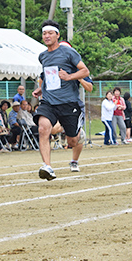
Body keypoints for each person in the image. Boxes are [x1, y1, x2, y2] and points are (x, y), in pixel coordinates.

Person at [32, 20, 90, 180]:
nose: (47, 36)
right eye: (44, 33)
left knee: (72, 141)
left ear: (57, 35)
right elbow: (46, 74)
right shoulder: (42, 56)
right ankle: (48, 167)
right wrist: (40, 88)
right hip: (49, 101)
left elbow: (85, 70)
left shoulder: (68, 52)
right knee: (43, 128)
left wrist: (69, 76)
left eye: (50, 33)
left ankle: (78, 133)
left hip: (68, 102)